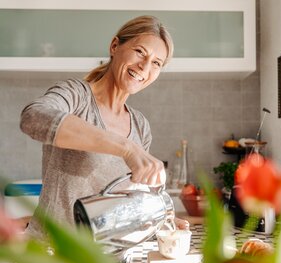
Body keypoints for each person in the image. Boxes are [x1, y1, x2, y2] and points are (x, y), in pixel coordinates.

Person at [20, 15, 189, 240]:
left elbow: (127, 202)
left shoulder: (140, 125)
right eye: (140, 52)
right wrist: (126, 148)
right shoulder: (77, 96)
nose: (145, 66)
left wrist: (160, 219)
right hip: (52, 252)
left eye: (157, 63)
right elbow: (33, 117)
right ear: (114, 46)